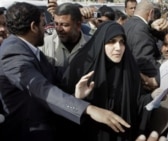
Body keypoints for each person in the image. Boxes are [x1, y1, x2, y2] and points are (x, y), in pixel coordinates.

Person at [0, 3, 130, 141]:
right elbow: (42, 89)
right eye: (44, 25)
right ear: (33, 27)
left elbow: (57, 74)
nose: (49, 29)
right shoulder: (12, 53)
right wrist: (88, 109)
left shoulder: (29, 49)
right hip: (28, 133)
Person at [62, 21, 160, 141]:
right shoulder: (81, 67)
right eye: (111, 41)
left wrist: (152, 97)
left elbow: (136, 102)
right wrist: (77, 98)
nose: (118, 48)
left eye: (122, 42)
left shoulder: (129, 68)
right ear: (101, 42)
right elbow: (62, 105)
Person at [123, 0, 168, 92]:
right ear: (151, 13)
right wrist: (162, 76)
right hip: (141, 85)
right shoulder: (141, 28)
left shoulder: (128, 23)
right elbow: (144, 60)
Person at [40, 3, 90, 71]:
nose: (59, 29)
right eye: (56, 24)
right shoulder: (45, 44)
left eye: (65, 25)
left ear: (78, 25)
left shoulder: (91, 44)